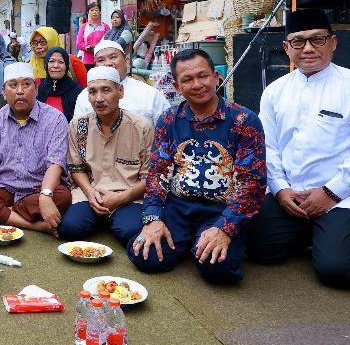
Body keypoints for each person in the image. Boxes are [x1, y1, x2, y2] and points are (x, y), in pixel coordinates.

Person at [244, 10, 350, 289]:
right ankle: (315, 232)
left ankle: (341, 233)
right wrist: (280, 189)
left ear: (333, 42)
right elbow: (267, 148)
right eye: (298, 42)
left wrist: (330, 192)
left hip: (345, 195)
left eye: (317, 40)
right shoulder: (275, 91)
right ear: (286, 48)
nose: (308, 48)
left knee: (340, 272)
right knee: (257, 249)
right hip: (291, 195)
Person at [129, 48, 266, 283]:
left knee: (217, 269)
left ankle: (205, 240)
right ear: (176, 86)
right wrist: (153, 219)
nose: (197, 84)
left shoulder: (244, 120)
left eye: (203, 76)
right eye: (187, 79)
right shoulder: (168, 120)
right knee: (145, 256)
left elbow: (252, 185)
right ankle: (190, 241)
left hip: (221, 210)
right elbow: (157, 174)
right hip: (179, 207)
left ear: (216, 77)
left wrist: (225, 228)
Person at [0, 63, 72, 235]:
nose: (20, 91)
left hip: (39, 188)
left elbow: (56, 163)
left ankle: (2, 214)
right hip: (4, 188)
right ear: (3, 92)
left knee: (63, 196)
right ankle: (34, 225)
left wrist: (46, 195)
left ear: (36, 89)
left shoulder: (55, 119)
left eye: (26, 84)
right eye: (13, 85)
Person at [61, 66, 154, 246]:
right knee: (70, 228)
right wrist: (90, 193)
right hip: (91, 193)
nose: (99, 98)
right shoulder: (79, 125)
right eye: (93, 92)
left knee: (130, 231)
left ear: (120, 92)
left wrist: (120, 198)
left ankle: (114, 219)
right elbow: (76, 168)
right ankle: (103, 218)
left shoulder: (142, 127)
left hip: (129, 196)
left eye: (106, 90)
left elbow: (149, 177)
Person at [71, 40, 170, 125]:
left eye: (113, 57)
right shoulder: (84, 96)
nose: (108, 63)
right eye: (101, 60)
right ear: (96, 66)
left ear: (127, 62)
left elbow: (166, 131)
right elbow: (80, 134)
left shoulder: (150, 94)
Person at [36, 47, 83, 121]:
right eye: (51, 61)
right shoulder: (37, 87)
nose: (56, 66)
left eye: (61, 62)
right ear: (46, 64)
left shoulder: (78, 92)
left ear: (66, 66)